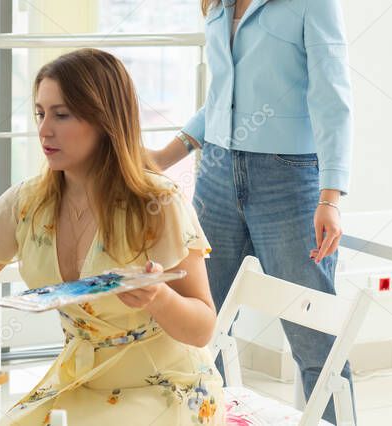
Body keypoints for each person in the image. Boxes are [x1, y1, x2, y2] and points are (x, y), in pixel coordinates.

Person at [0, 48, 225, 425]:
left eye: (61, 115)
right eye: (40, 113)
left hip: (164, 386)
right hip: (79, 382)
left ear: (104, 120)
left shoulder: (157, 202)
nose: (44, 129)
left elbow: (201, 329)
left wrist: (158, 297)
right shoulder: (26, 202)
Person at [149, 0, 355, 423]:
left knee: (314, 337)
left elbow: (332, 99)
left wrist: (330, 197)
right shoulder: (218, 6)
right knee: (199, 324)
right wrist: (163, 158)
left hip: (290, 179)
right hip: (217, 175)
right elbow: (219, 101)